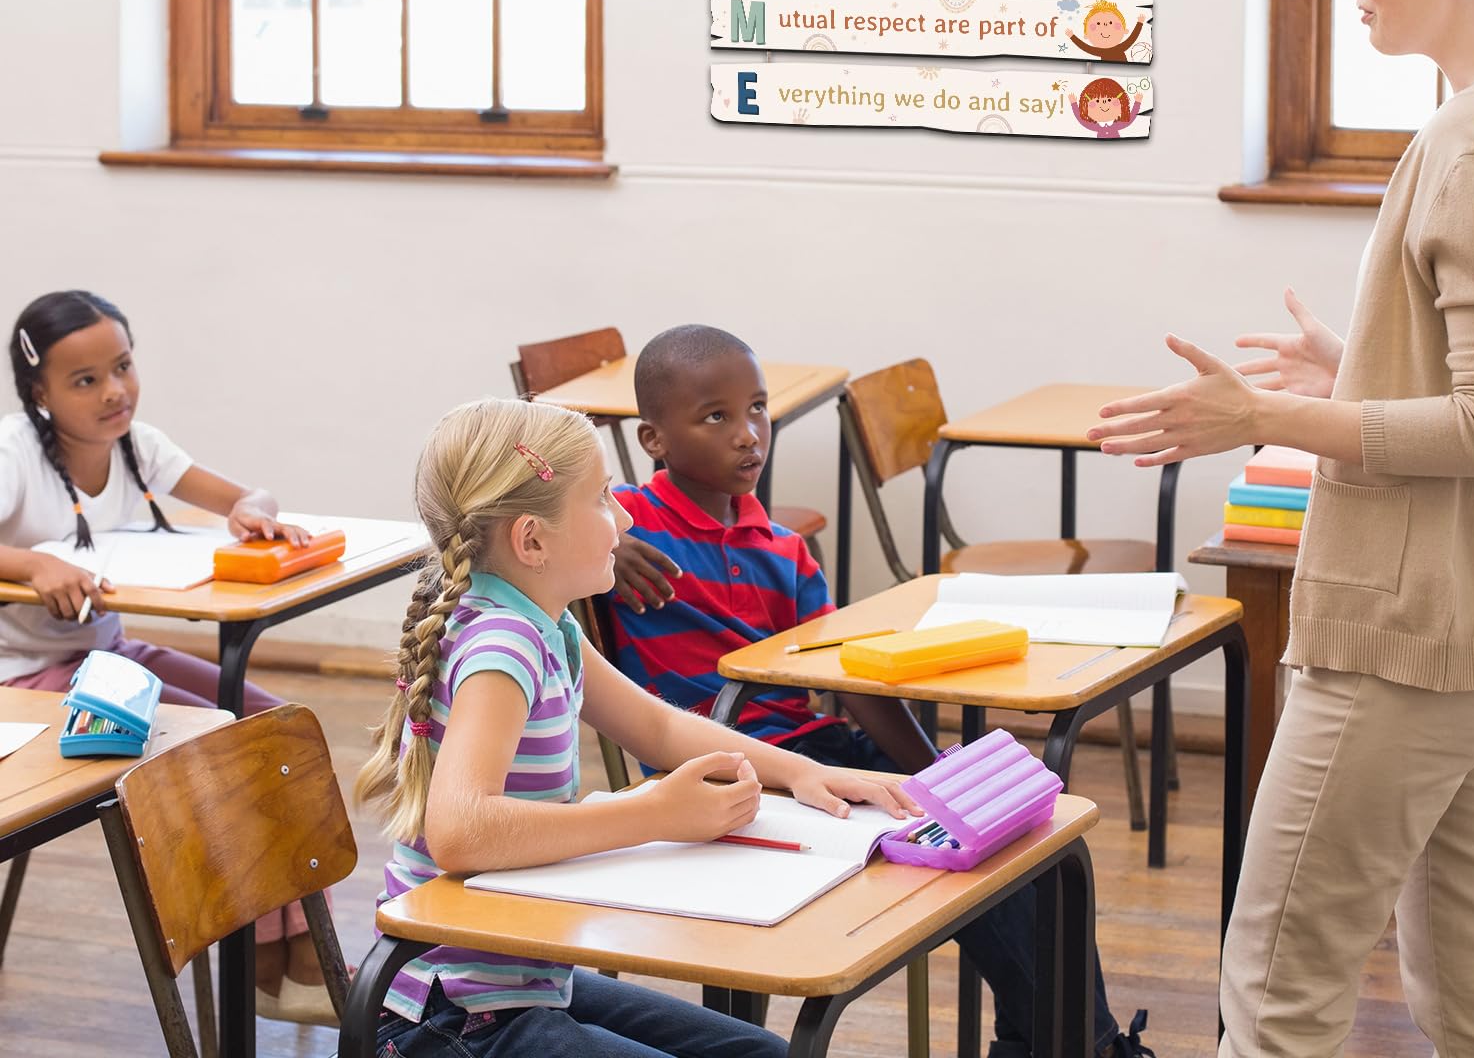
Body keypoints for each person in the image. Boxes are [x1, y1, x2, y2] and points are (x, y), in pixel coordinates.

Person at [1087, 0, 1474, 1057]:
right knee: (1473, 960)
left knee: (1279, 979)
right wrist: (1357, 367)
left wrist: (1258, 412)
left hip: (1419, 633)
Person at [607, 324, 1156, 1058]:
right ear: (654, 439)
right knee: (962, 854)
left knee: (1033, 842)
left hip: (817, 757)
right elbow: (508, 506)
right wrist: (605, 539)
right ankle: (1088, 1050)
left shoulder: (785, 548)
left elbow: (846, 675)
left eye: (759, 410)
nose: (749, 436)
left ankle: (1056, 1045)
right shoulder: (625, 523)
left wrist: (935, 772)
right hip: (727, 777)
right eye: (717, 417)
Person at [355, 396, 916, 1057]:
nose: (623, 517)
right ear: (532, 540)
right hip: (449, 1015)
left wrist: (803, 772)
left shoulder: (547, 624)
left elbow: (655, 726)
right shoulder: (501, 646)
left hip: (517, 983)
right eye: (600, 500)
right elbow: (460, 831)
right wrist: (652, 814)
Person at [1, 289, 332, 1023]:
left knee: (272, 725)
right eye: (85, 381)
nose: (114, 391)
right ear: (39, 392)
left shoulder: (137, 445)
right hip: (26, 684)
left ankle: (291, 955)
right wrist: (29, 566)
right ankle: (273, 960)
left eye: (121, 367)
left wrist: (254, 513)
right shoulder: (13, 455)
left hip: (108, 659)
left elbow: (251, 494)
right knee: (216, 747)